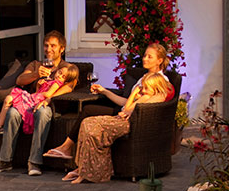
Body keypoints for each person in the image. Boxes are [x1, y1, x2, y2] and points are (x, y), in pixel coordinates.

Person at [44, 43, 175, 160]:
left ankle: (67, 147)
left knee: (88, 110)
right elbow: (125, 101)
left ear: (160, 60)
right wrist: (104, 91)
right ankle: (71, 151)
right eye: (145, 55)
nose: (145, 59)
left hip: (128, 116)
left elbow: (152, 101)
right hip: (125, 108)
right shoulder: (144, 77)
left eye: (149, 57)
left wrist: (131, 106)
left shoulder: (160, 81)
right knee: (90, 106)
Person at [0, 31, 77, 176]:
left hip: (50, 105)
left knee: (42, 112)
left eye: (53, 46)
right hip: (29, 102)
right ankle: (4, 160)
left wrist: (49, 97)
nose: (48, 49)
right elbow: (20, 80)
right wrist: (36, 74)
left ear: (62, 48)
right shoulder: (36, 64)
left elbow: (70, 87)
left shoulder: (68, 68)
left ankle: (34, 162)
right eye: (46, 45)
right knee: (12, 112)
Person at [64, 72, 172, 184]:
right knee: (88, 124)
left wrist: (134, 94)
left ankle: (88, 171)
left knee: (90, 125)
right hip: (123, 121)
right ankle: (88, 170)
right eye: (143, 87)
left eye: (146, 88)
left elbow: (126, 109)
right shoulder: (150, 96)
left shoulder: (150, 97)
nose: (143, 90)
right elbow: (127, 109)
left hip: (127, 124)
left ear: (156, 88)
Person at [0, 64, 80, 136]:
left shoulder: (56, 83)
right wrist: (38, 86)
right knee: (8, 99)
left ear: (66, 81)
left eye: (63, 77)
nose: (59, 76)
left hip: (36, 100)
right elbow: (39, 91)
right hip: (35, 98)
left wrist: (35, 95)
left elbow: (48, 94)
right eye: (60, 72)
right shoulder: (51, 80)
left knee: (9, 98)